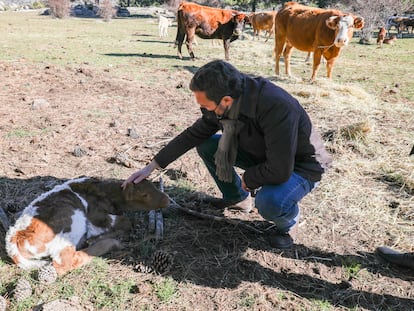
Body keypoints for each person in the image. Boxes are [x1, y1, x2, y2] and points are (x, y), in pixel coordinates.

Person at [122, 60, 332, 249]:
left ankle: (289, 223)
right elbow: (194, 134)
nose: (202, 109)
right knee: (207, 144)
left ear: (226, 100)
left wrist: (250, 178)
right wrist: (152, 166)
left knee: (270, 202)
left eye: (204, 105)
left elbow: (280, 169)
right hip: (265, 154)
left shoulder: (277, 106)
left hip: (301, 166)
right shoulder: (227, 102)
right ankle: (237, 198)